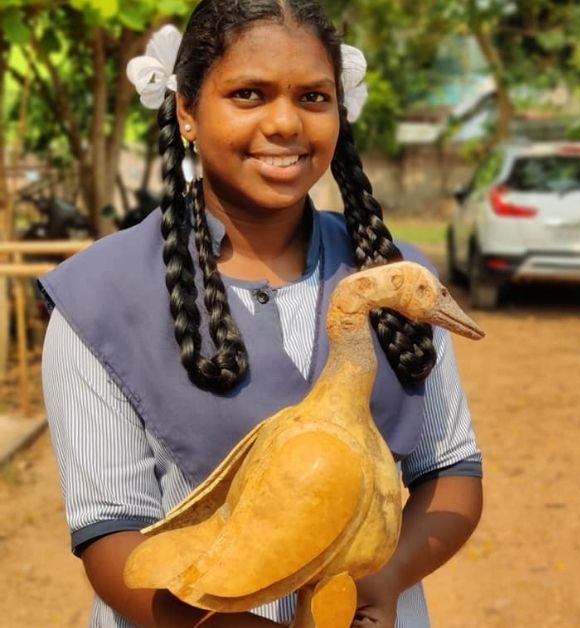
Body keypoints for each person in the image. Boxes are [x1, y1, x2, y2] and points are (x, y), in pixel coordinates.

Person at [38, 2, 483, 626]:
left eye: (312, 96)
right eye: (248, 94)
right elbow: (110, 533)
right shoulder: (100, 299)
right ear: (186, 110)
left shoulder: (394, 281)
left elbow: (452, 470)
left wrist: (386, 576)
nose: (284, 123)